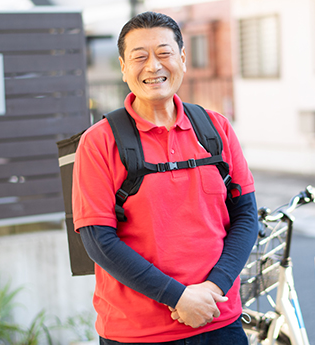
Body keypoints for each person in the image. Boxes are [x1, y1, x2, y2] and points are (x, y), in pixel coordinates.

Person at [72, 11, 258, 345]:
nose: (153, 67)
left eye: (164, 53)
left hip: (218, 321)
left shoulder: (216, 128)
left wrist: (212, 289)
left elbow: (246, 216)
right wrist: (178, 297)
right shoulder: (99, 141)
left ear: (183, 59)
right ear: (123, 67)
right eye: (139, 57)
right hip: (135, 333)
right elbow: (98, 239)